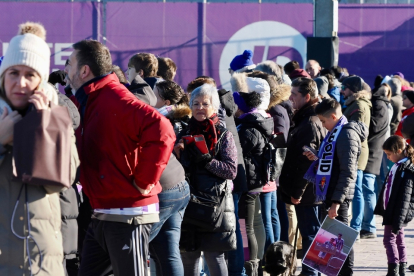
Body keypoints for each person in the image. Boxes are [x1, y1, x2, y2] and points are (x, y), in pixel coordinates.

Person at [65, 40, 176, 276]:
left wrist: (144, 181)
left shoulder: (115, 97)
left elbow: (163, 130)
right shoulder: (87, 99)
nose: (66, 68)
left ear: (84, 70)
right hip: (103, 213)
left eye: (69, 63)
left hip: (128, 216)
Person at [0, 32, 79, 275]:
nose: (21, 83)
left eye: (30, 75)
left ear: (41, 80)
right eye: (14, 73)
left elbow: (63, 178)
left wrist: (43, 126)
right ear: (3, 76)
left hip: (41, 260)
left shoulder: (55, 115)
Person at [174, 84, 237, 276]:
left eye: (205, 104)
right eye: (196, 103)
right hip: (188, 203)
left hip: (214, 207)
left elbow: (231, 170)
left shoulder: (223, 135)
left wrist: (208, 161)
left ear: (214, 107)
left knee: (214, 256)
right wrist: (176, 155)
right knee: (188, 256)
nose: (200, 107)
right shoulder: (183, 133)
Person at [305, 98, 368, 275]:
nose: (323, 126)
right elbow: (335, 163)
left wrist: (336, 203)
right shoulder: (338, 131)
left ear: (333, 116)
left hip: (338, 197)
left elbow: (348, 172)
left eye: (324, 121)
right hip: (333, 194)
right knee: (334, 243)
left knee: (341, 244)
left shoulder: (346, 134)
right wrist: (318, 157)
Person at [279, 77, 327, 276]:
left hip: (309, 191)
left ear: (307, 97)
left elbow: (307, 163)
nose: (290, 98)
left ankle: (311, 273)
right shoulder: (308, 117)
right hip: (310, 189)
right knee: (311, 232)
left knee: (311, 234)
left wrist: (297, 192)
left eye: (295, 94)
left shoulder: (310, 122)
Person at [233, 84, 274, 275]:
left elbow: (238, 153)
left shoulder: (247, 128)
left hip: (249, 182)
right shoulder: (256, 122)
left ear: (241, 108)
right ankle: (255, 263)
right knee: (254, 224)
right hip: (255, 181)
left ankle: (251, 266)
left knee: (246, 226)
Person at [374, 136, 414, 276]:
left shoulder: (406, 169)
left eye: (389, 154)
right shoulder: (398, 166)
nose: (388, 157)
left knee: (389, 240)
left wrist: (399, 218)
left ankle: (393, 269)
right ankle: (401, 267)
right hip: (392, 210)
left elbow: (405, 197)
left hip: (396, 212)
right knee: (398, 239)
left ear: (398, 151)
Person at [341, 76, 375, 238]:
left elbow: (358, 132)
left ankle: (355, 226)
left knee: (357, 190)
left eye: (345, 88)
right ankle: (355, 225)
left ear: (352, 89)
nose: (342, 90)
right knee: (356, 189)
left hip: (357, 151)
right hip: (355, 150)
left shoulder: (359, 105)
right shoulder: (354, 103)